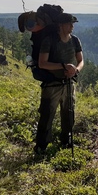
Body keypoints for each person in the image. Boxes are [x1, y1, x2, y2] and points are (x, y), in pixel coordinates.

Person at [34, 13, 84, 154]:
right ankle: (41, 146)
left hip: (69, 82)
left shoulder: (75, 40)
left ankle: (66, 139)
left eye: (72, 24)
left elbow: (81, 61)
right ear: (61, 25)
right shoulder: (49, 41)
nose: (72, 26)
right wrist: (64, 66)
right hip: (52, 84)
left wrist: (75, 70)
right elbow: (42, 63)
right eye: (69, 24)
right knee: (47, 114)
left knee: (69, 113)